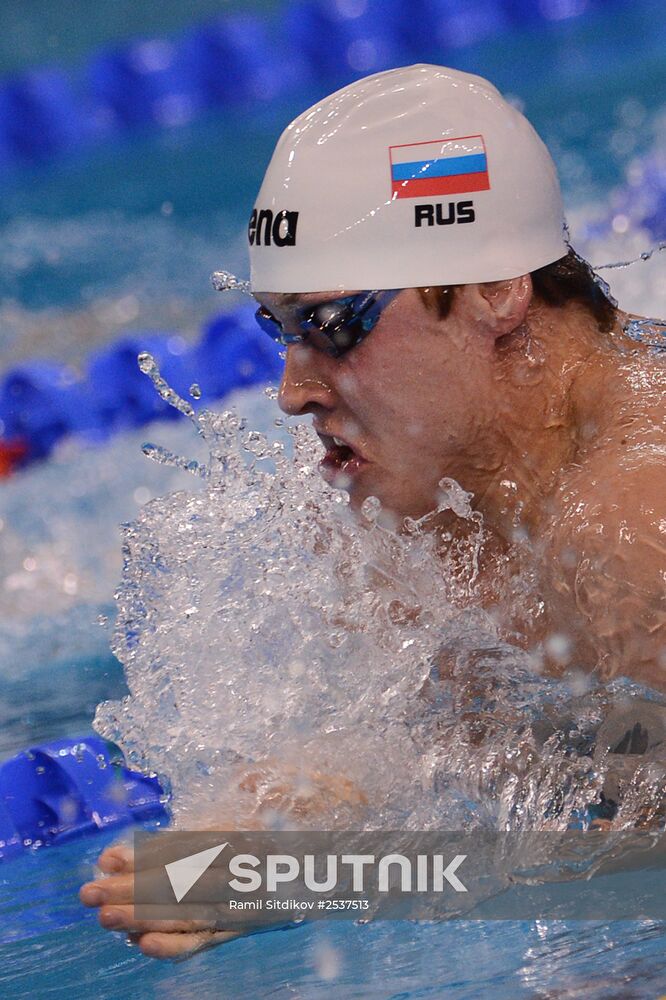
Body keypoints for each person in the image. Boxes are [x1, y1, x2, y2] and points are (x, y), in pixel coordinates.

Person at [81, 63, 665, 958]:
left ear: (497, 291)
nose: (290, 390)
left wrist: (319, 877)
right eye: (281, 331)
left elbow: (640, 865)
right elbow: (402, 743)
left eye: (336, 325)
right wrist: (261, 831)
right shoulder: (423, 495)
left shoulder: (637, 515)